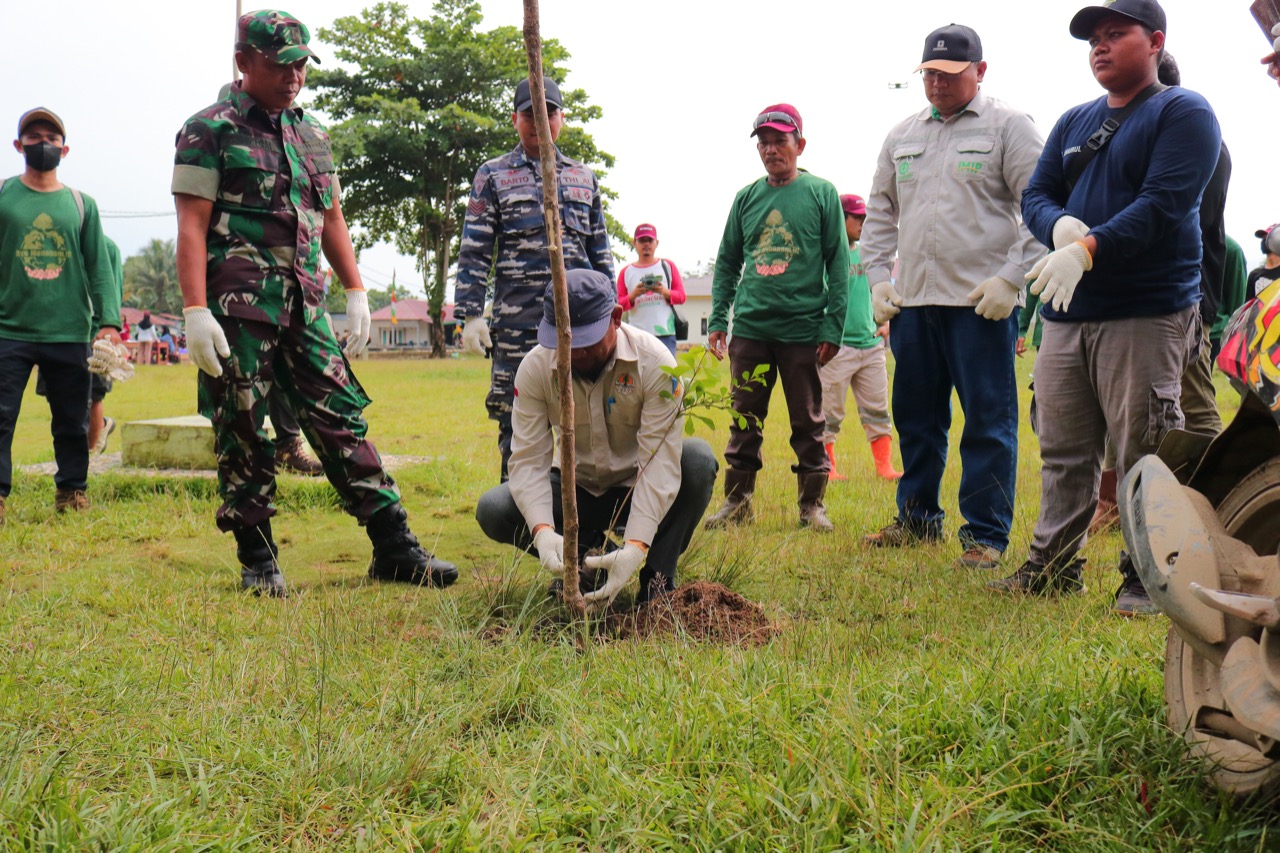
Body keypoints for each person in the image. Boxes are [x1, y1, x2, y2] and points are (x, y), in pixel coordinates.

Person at [172, 10, 455, 596]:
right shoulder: (208, 130)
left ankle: (393, 546)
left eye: (301, 64)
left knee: (341, 419)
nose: (293, 75)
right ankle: (259, 559)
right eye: (281, 64)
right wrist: (195, 311)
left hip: (305, 306)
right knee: (244, 429)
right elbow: (192, 227)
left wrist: (354, 289)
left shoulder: (312, 134)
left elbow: (331, 218)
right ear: (244, 62)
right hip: (239, 310)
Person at [989, 0, 1221, 613]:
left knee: (1144, 447)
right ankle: (1052, 565)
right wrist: (1060, 224)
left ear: (1155, 42)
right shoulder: (1073, 121)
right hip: (1068, 314)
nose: (1100, 45)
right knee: (1063, 448)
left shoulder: (1183, 111)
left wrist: (1087, 249)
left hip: (1145, 309)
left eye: (1116, 33)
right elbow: (1035, 193)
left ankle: (1147, 574)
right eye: (1094, 36)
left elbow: (1164, 203)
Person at [860, 24, 1046, 570]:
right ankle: (916, 519)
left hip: (980, 305)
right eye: (929, 75)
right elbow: (879, 213)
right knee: (916, 417)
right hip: (914, 304)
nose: (936, 84)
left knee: (987, 420)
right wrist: (877, 279)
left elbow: (1040, 208)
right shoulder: (902, 135)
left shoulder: (1009, 127)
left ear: (980, 71)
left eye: (949, 75)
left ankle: (985, 535)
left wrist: (1012, 278)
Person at [476, 270, 717, 610]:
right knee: (494, 508)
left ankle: (657, 581)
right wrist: (543, 531)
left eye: (586, 342)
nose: (574, 353)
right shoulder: (534, 370)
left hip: (635, 483)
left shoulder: (655, 364)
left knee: (696, 461)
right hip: (574, 489)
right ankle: (585, 566)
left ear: (616, 318)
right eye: (564, 340)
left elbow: (659, 463)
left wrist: (635, 544)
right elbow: (529, 460)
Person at [455, 76, 614, 482]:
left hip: (580, 326)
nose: (539, 121)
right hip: (517, 326)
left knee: (584, 415)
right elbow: (474, 249)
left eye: (548, 112)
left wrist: (612, 312)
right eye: (529, 114)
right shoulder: (493, 175)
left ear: (561, 118)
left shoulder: (583, 177)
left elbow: (600, 252)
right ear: (515, 119)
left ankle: (578, 508)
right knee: (516, 418)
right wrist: (470, 314)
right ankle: (514, 511)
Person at [703, 103, 848, 533]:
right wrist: (717, 319)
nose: (771, 150)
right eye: (763, 143)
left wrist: (832, 324)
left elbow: (837, 264)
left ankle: (811, 507)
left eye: (779, 141)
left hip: (803, 329)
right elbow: (727, 263)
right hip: (750, 328)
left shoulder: (822, 194)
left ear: (799, 144)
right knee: (744, 418)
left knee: (808, 421)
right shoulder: (746, 198)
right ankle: (737, 502)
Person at [0, 107, 123, 522]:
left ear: (64, 149)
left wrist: (108, 321)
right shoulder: (3, 196)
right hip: (9, 328)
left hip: (69, 331)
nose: (43, 144)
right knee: (1, 417)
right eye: (33, 137)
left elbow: (99, 268)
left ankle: (72, 491)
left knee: (71, 420)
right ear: (18, 146)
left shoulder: (81, 204)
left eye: (51, 138)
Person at [820, 193, 900, 482]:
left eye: (866, 218)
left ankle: (884, 467)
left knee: (878, 409)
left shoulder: (869, 255)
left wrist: (884, 323)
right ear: (839, 217)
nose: (863, 224)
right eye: (858, 218)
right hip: (836, 348)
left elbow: (880, 291)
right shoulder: (823, 254)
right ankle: (827, 468)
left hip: (871, 346)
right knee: (829, 412)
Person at [616, 223, 686, 355]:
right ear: (634, 243)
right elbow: (618, 305)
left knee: (668, 374)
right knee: (639, 374)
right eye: (642, 240)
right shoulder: (626, 272)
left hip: (665, 333)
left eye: (650, 240)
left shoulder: (667, 266)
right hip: (637, 334)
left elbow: (681, 296)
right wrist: (633, 295)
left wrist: (665, 292)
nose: (646, 244)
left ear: (657, 242)